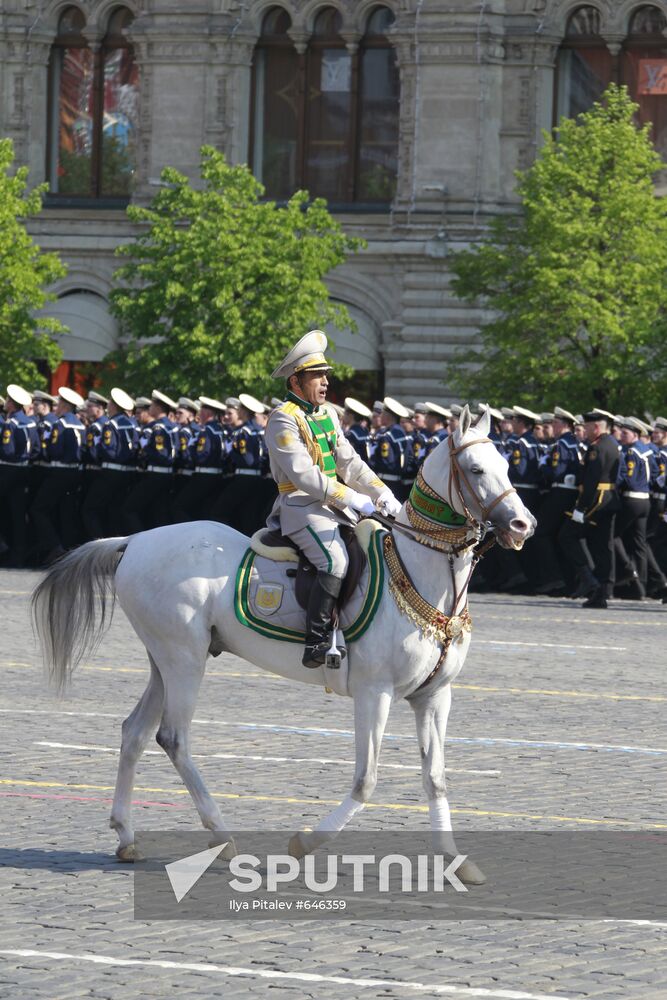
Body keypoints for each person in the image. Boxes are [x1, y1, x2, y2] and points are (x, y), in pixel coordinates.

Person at [265, 330, 400, 669]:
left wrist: (381, 492)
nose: (325, 382)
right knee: (334, 561)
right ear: (296, 381)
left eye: (326, 375)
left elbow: (349, 462)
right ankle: (317, 639)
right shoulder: (284, 417)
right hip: (299, 507)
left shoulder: (327, 415)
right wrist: (352, 497)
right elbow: (303, 476)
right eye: (316, 376)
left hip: (332, 506)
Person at [558, 408, 620, 609]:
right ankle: (600, 593)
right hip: (608, 498)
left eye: (586, 426)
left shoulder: (596, 447)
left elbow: (592, 480)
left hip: (596, 499)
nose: (584, 429)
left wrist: (581, 508)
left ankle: (588, 580)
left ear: (595, 427)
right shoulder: (611, 443)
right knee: (602, 546)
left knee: (567, 535)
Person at [30, 386, 85, 564]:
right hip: (75, 471)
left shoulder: (60, 424)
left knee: (38, 509)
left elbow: (54, 449)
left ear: (65, 406)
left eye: (60, 403)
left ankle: (55, 547)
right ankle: (68, 552)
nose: (57, 407)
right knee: (66, 512)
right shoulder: (80, 424)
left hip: (59, 470)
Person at [531, 406, 581, 595]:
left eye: (555, 423)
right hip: (570, 492)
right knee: (558, 536)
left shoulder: (561, 444)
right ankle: (567, 579)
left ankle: (554, 579)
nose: (552, 426)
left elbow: (557, 472)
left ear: (565, 425)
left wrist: (543, 466)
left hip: (561, 491)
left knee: (541, 533)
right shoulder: (573, 442)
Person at [81, 388, 137, 539]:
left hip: (110, 472)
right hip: (128, 473)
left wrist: (97, 448)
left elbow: (109, 451)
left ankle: (98, 546)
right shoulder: (133, 424)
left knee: (90, 509)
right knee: (114, 510)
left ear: (114, 406)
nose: (108, 407)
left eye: (110, 404)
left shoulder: (111, 424)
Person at [614, 416, 659, 599]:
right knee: (640, 543)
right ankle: (642, 585)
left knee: (613, 536)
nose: (622, 436)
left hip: (631, 500)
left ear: (634, 435)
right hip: (645, 500)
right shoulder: (647, 450)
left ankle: (629, 572)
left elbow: (629, 479)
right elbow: (655, 474)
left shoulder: (631, 453)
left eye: (625, 433)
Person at [120, 390, 177, 534]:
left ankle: (139, 542)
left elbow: (161, 454)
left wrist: (145, 448)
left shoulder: (158, 427)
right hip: (167, 474)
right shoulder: (172, 425)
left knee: (129, 509)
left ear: (158, 407)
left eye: (152, 405)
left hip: (155, 474)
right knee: (159, 514)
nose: (149, 408)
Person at [0, 384, 39, 565]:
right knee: (17, 514)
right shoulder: (30, 421)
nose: (5, 403)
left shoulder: (11, 423)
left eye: (7, 400)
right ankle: (19, 554)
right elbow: (36, 448)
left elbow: (7, 450)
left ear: (12, 404)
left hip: (8, 469)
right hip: (24, 469)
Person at [174, 395, 228, 523]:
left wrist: (191, 447)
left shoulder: (207, 430)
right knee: (205, 511)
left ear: (208, 413)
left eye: (201, 411)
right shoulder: (221, 429)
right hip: (217, 475)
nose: (199, 413)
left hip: (203, 475)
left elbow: (202, 457)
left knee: (178, 507)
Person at [371, 397, 410, 500]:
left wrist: (371, 463)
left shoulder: (386, 436)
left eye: (382, 414)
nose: (381, 416)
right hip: (399, 482)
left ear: (388, 416)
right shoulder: (403, 433)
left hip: (386, 481)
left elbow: (387, 462)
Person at [343, 398, 372, 462]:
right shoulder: (366, 431)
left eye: (345, 413)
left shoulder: (350, 435)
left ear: (350, 416)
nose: (343, 416)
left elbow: (347, 456)